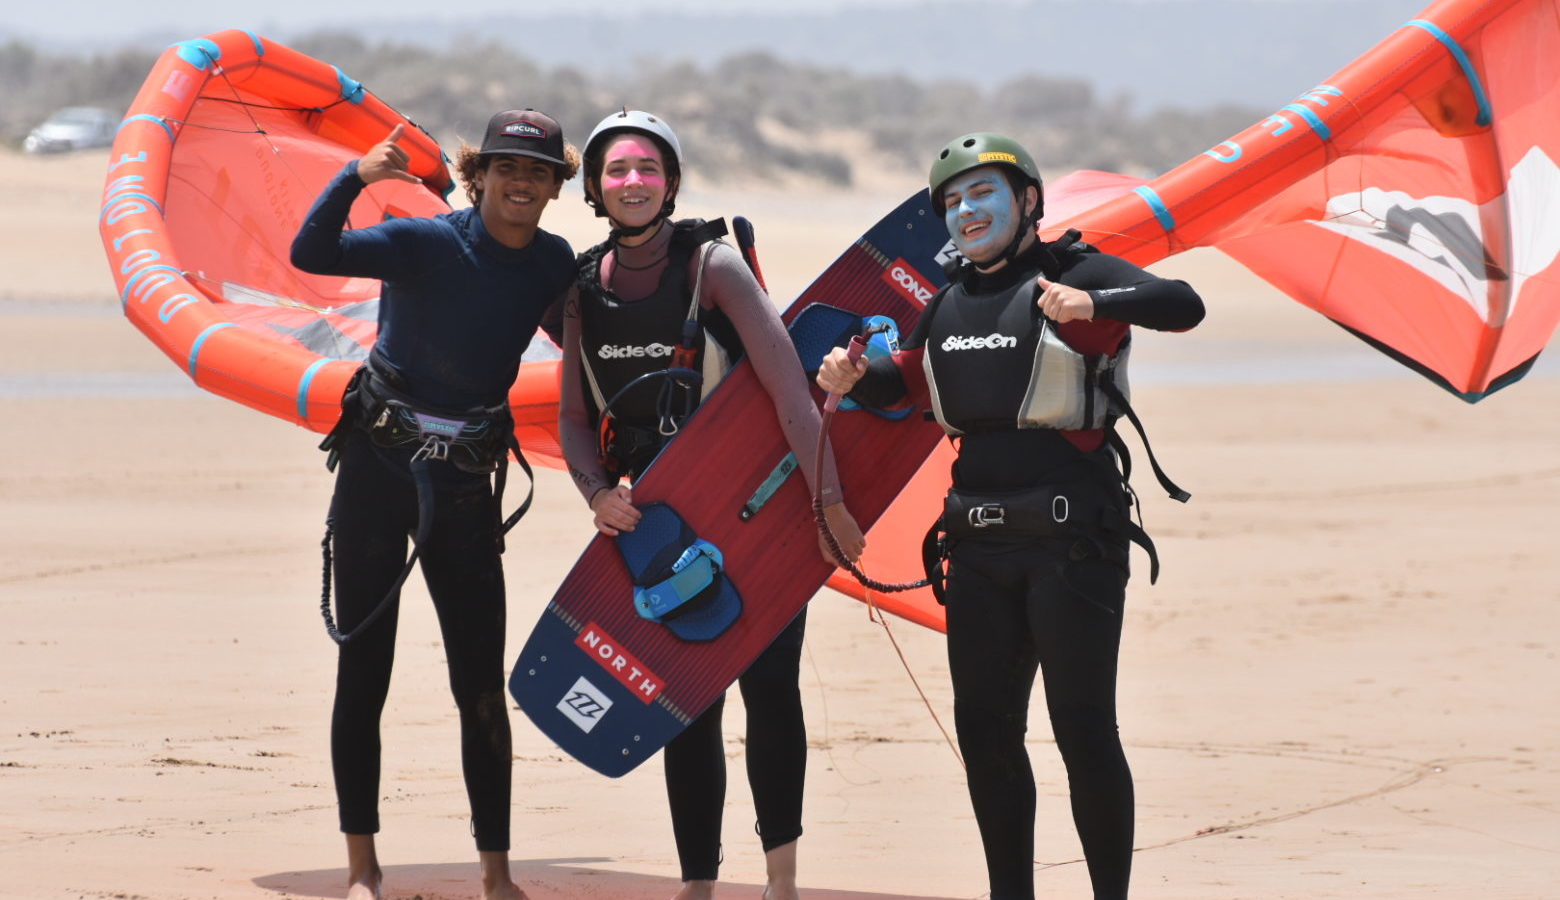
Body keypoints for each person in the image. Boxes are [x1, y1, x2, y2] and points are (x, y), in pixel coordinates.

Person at [816, 133, 1205, 900]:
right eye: (953, 202)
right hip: (978, 553)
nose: (967, 211)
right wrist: (853, 376)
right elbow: (906, 385)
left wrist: (1094, 302)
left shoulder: (1072, 272)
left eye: (982, 194)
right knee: (986, 736)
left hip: (1073, 548)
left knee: (1082, 730)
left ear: (1028, 201)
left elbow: (1182, 303)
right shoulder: (945, 305)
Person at [551, 109, 866, 900]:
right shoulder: (583, 290)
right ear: (593, 186)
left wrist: (827, 501)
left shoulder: (712, 266)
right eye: (617, 170)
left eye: (647, 169)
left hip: (756, 513)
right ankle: (698, 885)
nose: (632, 183)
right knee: (683, 702)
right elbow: (572, 420)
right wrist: (596, 494)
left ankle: (780, 882)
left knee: (770, 693)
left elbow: (789, 389)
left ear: (672, 182)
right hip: (655, 524)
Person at [290, 109, 580, 900]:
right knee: (365, 670)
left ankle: (496, 874)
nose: (522, 183)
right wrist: (357, 176)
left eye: (539, 172)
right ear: (478, 175)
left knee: (479, 683)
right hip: (378, 470)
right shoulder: (422, 241)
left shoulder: (553, 264)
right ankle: (362, 868)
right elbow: (310, 253)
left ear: (556, 188)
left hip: (462, 487)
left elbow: (597, 338)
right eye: (507, 169)